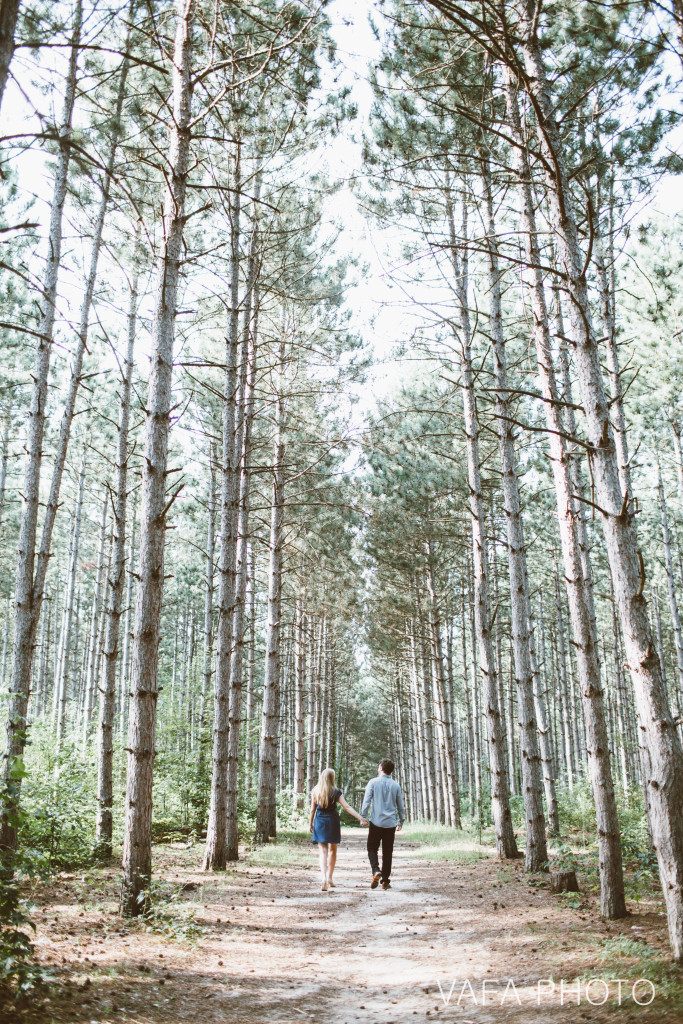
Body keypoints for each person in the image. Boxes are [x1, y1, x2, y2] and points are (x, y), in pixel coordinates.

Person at [309, 768, 365, 891]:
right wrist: (360, 817)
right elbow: (347, 806)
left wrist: (310, 823)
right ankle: (329, 877)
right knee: (333, 850)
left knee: (323, 851)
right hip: (332, 820)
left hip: (320, 820)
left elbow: (312, 809)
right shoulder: (336, 792)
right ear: (332, 778)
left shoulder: (315, 791)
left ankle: (323, 877)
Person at [361, 758, 405, 890]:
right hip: (390, 823)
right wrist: (400, 821)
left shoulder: (373, 782)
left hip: (376, 822)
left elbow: (367, 801)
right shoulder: (396, 785)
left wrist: (363, 816)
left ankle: (375, 870)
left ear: (380, 768)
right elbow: (400, 806)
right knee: (388, 851)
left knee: (372, 848)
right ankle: (385, 881)